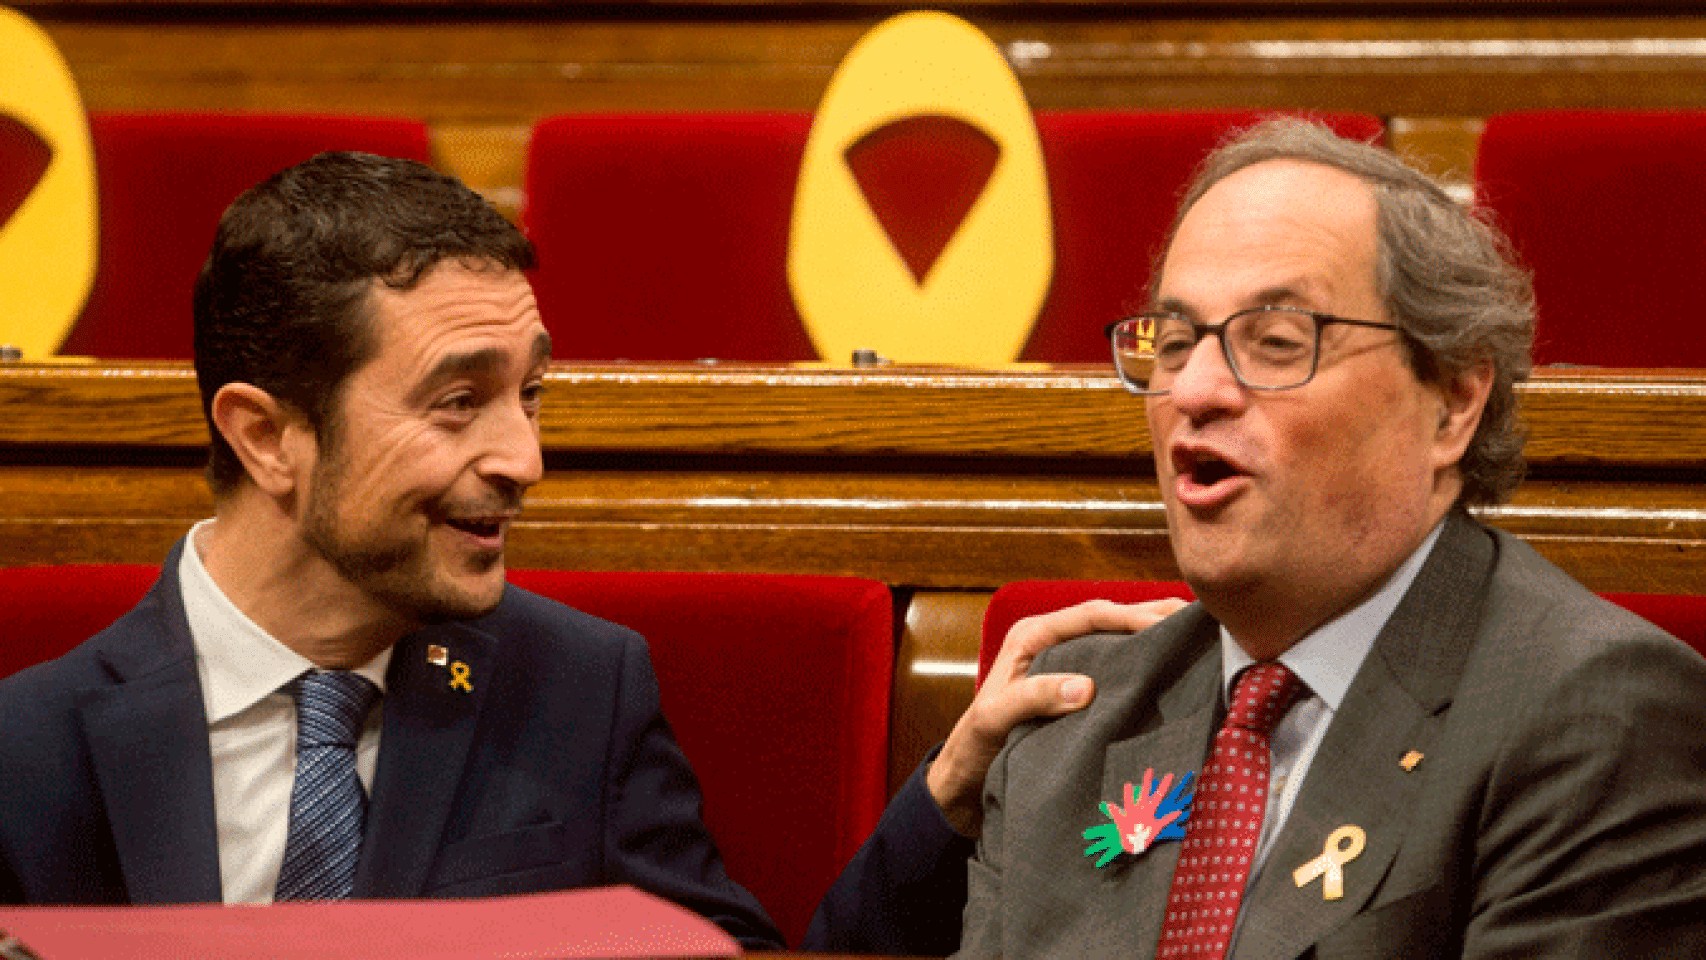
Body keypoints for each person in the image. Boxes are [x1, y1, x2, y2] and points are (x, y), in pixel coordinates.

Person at [0, 150, 1170, 951]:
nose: (523, 459)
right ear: (267, 436)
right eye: (458, 401)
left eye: (531, 395)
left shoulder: (575, 691)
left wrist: (951, 795)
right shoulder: (28, 752)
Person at [958, 120, 1706, 958]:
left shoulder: (1596, 720)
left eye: (1276, 343)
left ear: (1453, 402)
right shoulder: (1070, 726)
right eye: (1172, 344)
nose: (1195, 391)